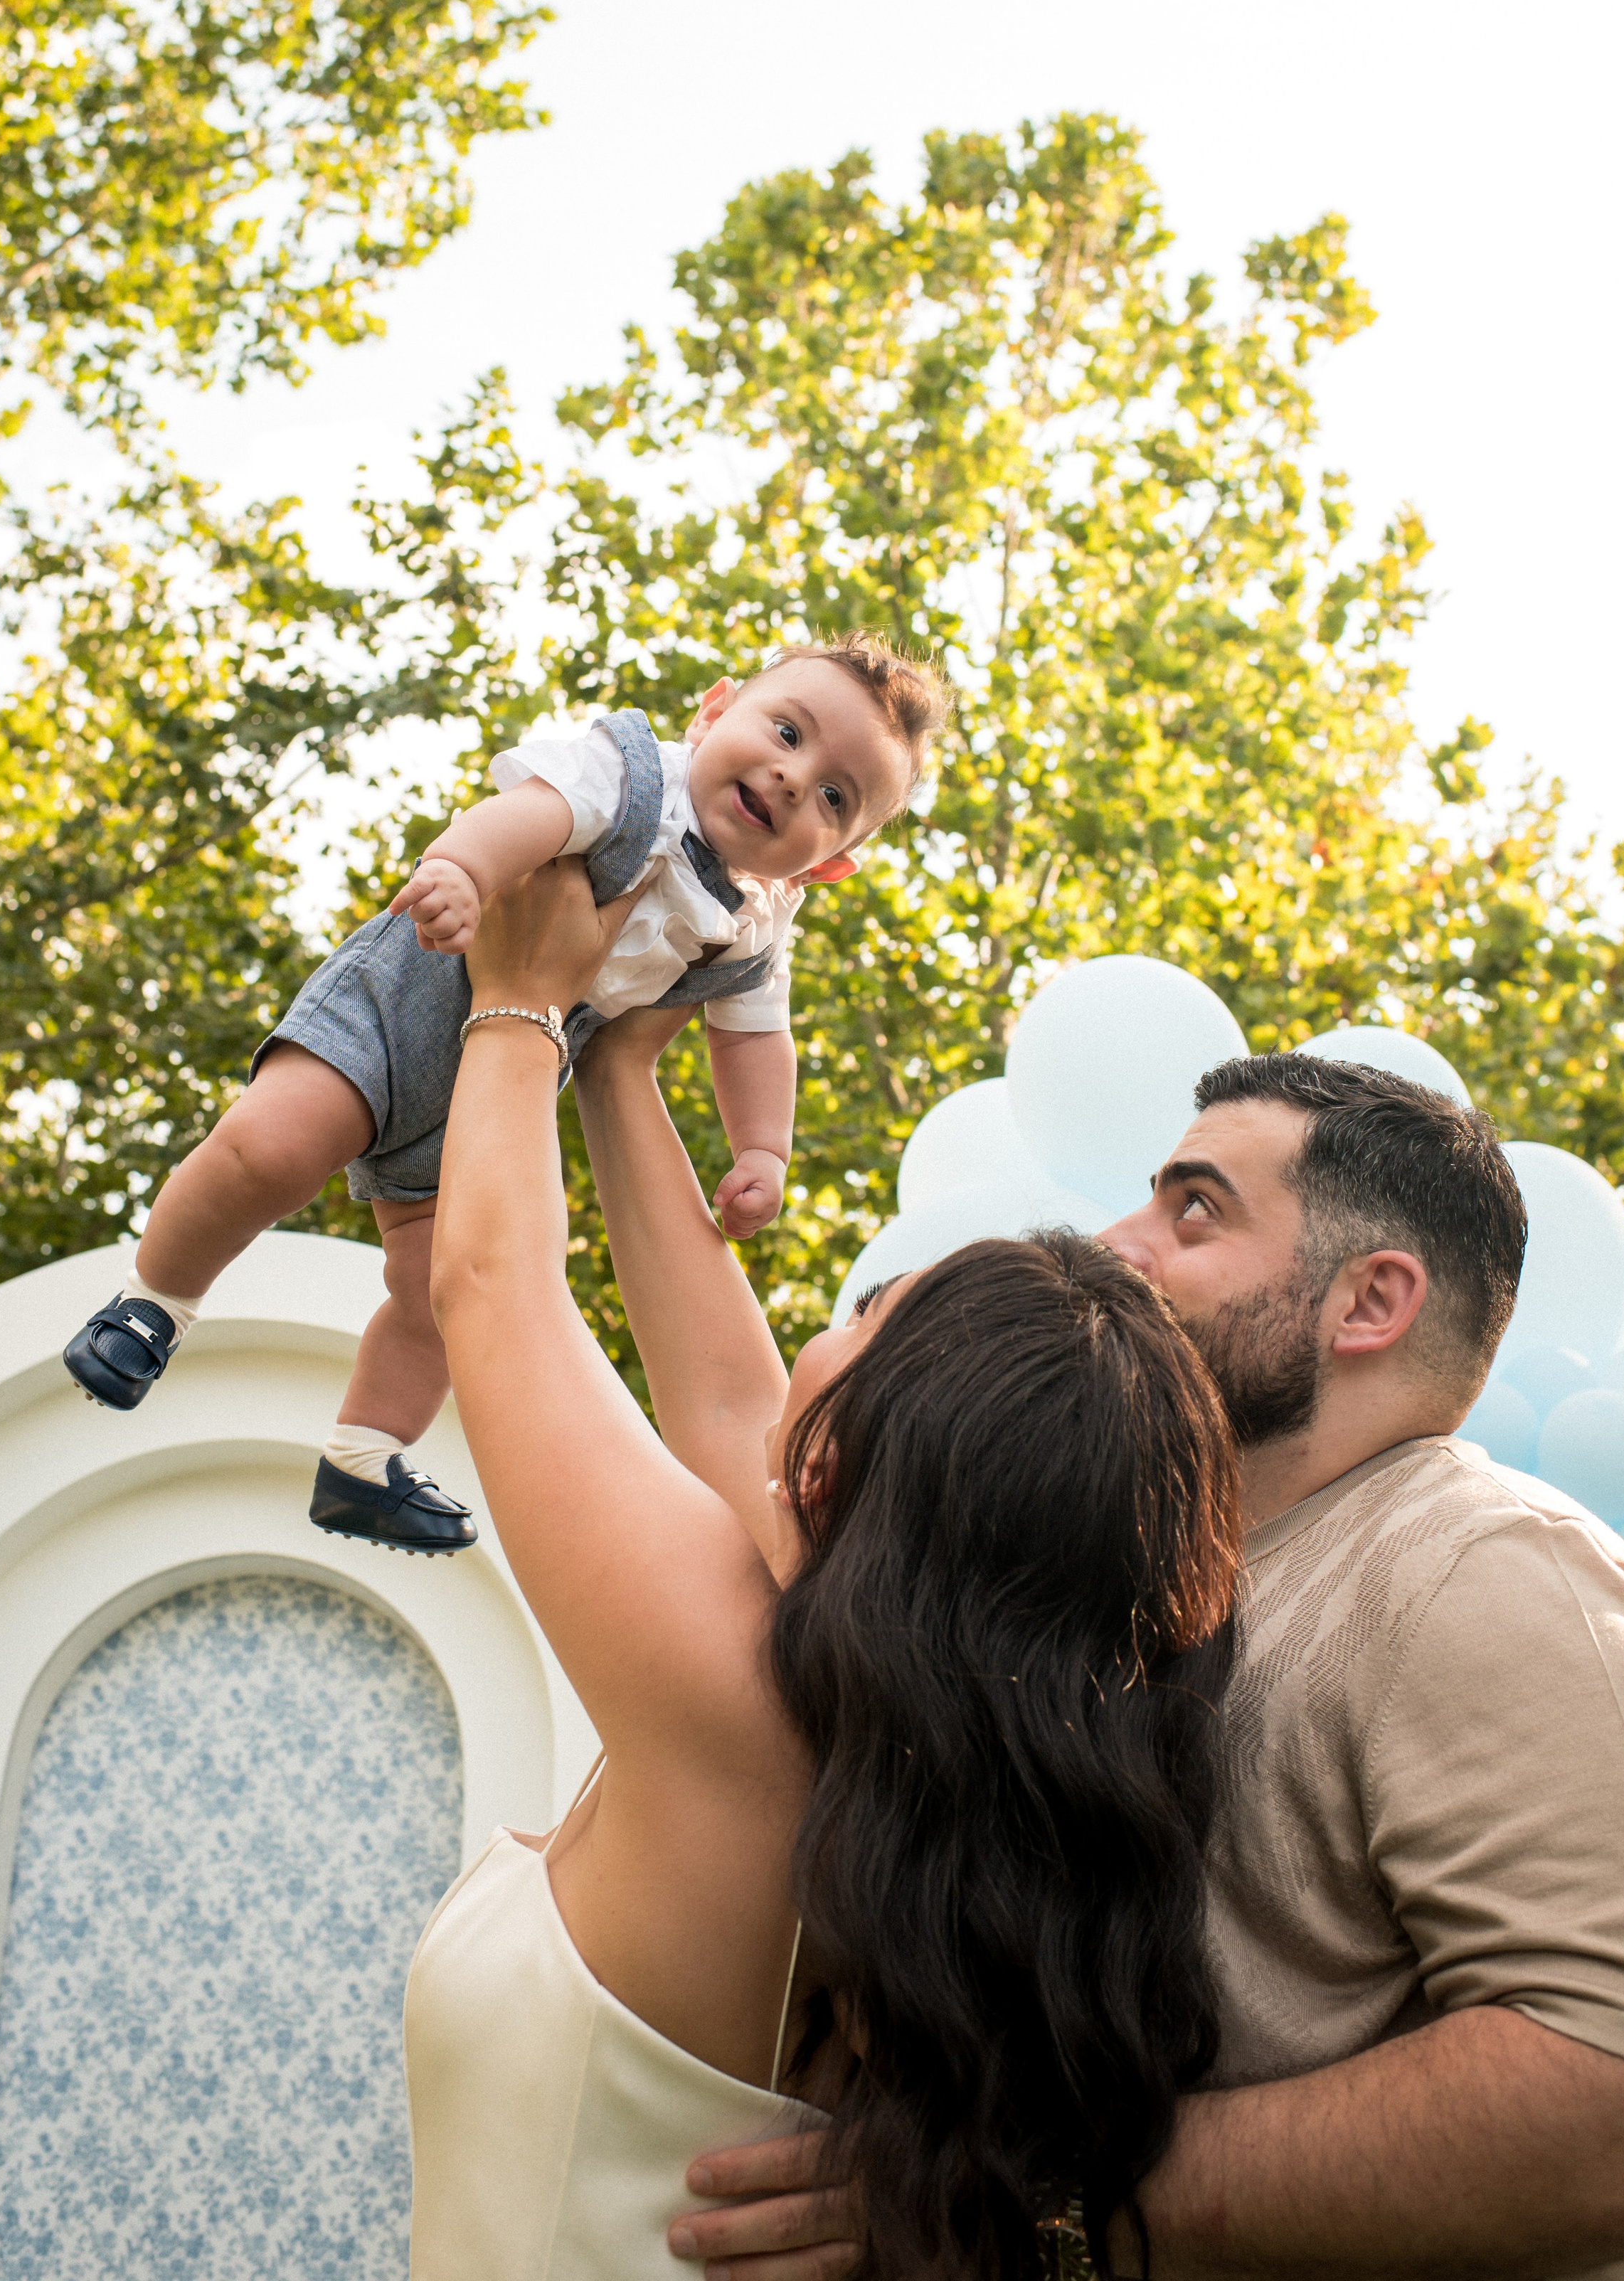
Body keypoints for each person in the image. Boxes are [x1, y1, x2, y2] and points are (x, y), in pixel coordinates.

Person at [672, 1051, 1624, 2280]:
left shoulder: (1482, 1568)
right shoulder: (1148, 1578)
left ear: (1369, 1303)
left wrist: (1027, 2201)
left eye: (1197, 1209)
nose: (1117, 1243)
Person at [400, 863, 1246, 2277]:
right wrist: (619, 1063)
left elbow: (493, 1287)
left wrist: (521, 999)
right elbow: (732, 1403)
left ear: (846, 1461)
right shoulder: (919, 1752)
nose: (811, 1336)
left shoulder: (733, 1703)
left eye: (863, 1311)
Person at [58, 633, 943, 1556]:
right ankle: (152, 1304)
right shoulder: (638, 778)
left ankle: (363, 1460)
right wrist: (463, 871)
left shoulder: (757, 924)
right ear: (715, 710)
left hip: (494, 1092)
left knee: (441, 1295)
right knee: (269, 1151)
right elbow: (528, 815)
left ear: (830, 864)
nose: (795, 779)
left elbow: (756, 1037)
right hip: (401, 1006)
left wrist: (763, 1149)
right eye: (788, 732)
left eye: (836, 797)